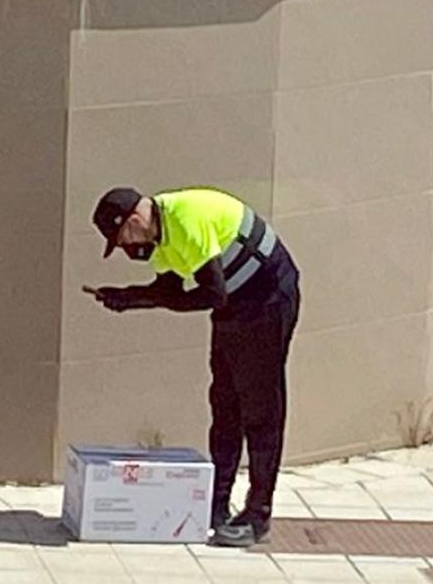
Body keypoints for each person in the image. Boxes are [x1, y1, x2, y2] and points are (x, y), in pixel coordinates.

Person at [85, 186, 300, 547]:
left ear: (135, 221)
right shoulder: (161, 241)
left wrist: (145, 300)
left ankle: (257, 515)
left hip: (268, 296)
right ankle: (217, 503)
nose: (127, 249)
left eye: (122, 239)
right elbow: (171, 293)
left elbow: (211, 293)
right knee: (225, 404)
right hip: (234, 304)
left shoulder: (184, 221)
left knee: (260, 408)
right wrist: (126, 297)